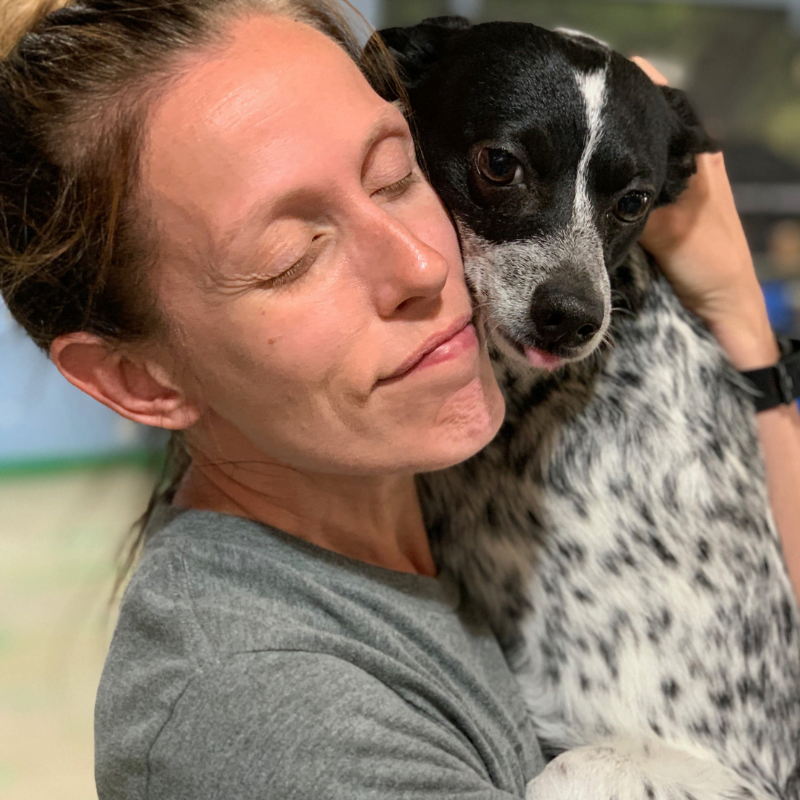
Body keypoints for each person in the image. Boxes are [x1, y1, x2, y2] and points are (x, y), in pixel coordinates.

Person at [1, 1, 798, 798]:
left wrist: (738, 320)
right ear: (138, 380)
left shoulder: (455, 466)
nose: (422, 266)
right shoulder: (272, 716)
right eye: (290, 257)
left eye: (396, 173)